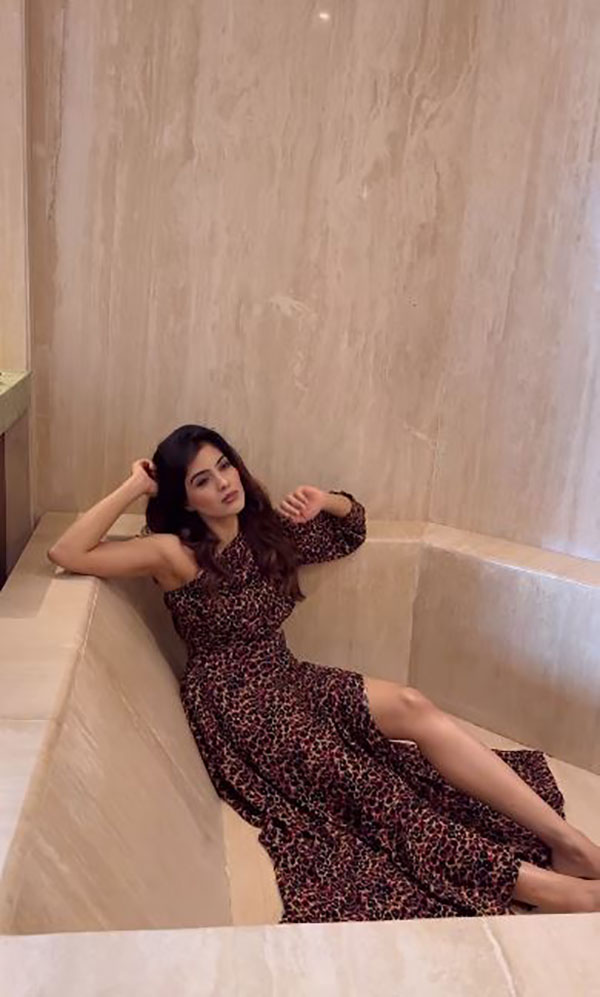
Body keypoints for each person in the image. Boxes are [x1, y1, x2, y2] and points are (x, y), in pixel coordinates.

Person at [48, 424, 600, 920]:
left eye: (224, 465)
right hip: (237, 707)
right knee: (374, 788)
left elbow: (352, 528)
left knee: (413, 705)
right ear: (185, 500)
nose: (222, 483)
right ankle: (542, 888)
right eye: (201, 481)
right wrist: (135, 486)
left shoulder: (266, 534)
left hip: (287, 676)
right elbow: (68, 551)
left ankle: (569, 844)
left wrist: (326, 501)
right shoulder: (174, 553)